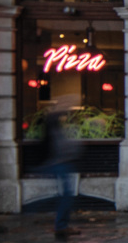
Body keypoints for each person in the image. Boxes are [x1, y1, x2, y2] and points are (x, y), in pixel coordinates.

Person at [36, 99, 80, 241]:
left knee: (65, 194)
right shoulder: (51, 122)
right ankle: (61, 225)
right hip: (57, 162)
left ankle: (62, 225)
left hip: (60, 162)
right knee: (65, 195)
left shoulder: (55, 124)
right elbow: (57, 143)